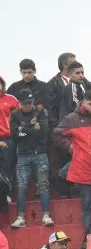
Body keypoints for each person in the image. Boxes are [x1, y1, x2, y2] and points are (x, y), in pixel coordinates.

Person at [52, 90, 91, 228]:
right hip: (84, 169)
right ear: (84, 103)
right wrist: (70, 148)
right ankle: (90, 238)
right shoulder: (72, 118)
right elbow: (56, 135)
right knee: (88, 204)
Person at [10, 90, 53, 228]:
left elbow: (43, 132)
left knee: (43, 185)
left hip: (40, 153)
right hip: (23, 155)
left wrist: (24, 129)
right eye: (25, 103)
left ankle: (46, 215)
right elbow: (15, 135)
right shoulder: (15, 114)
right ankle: (20, 217)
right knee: (22, 187)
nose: (28, 105)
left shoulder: (41, 112)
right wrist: (32, 129)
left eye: (30, 102)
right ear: (20, 103)